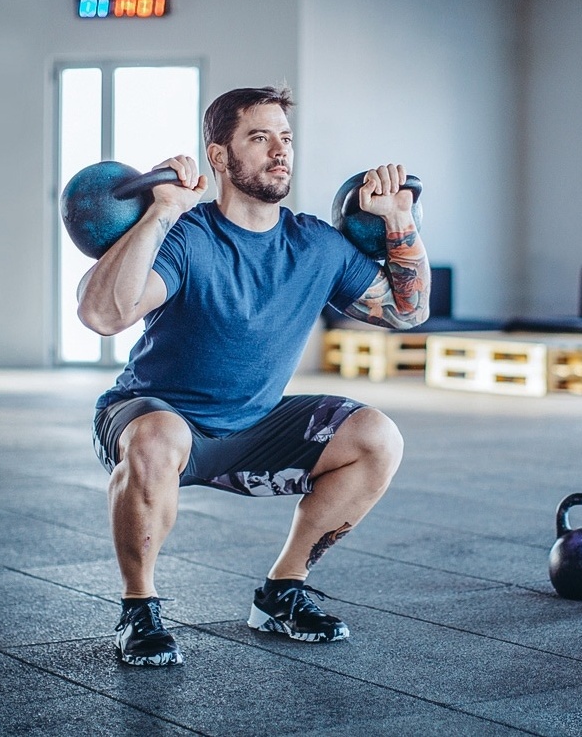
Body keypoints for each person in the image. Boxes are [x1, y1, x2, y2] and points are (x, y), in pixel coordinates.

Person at [77, 85, 430, 667]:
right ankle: (139, 609)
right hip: (154, 416)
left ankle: (282, 591)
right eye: (259, 137)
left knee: (377, 437)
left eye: (285, 138)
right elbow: (103, 315)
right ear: (219, 157)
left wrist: (399, 219)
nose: (279, 152)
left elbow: (405, 313)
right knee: (159, 437)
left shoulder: (315, 244)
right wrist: (164, 210)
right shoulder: (188, 238)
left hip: (255, 422)